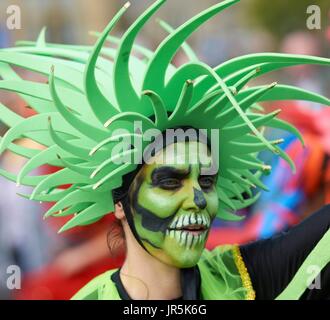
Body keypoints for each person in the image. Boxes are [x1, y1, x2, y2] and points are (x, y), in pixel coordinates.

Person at [0, 0, 329, 300]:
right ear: (119, 202)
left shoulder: (242, 277)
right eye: (171, 182)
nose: (199, 199)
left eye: (207, 182)